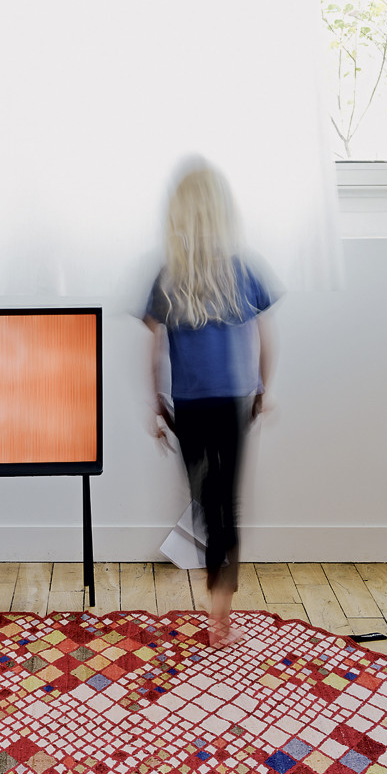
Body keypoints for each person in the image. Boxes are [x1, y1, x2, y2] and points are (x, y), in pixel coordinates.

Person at [144, 159, 279, 649]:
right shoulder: (241, 270)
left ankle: (215, 600)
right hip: (233, 404)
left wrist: (154, 403)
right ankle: (221, 602)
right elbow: (266, 335)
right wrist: (264, 387)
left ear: (179, 217)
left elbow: (154, 347)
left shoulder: (169, 276)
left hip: (192, 406)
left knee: (206, 501)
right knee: (227, 502)